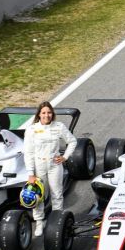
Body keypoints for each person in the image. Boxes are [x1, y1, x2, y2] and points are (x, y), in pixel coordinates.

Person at [23, 101, 78, 237]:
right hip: (39, 166)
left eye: (49, 112)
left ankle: (56, 222)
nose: (46, 115)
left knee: (57, 195)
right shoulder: (31, 129)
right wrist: (30, 174)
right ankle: (39, 222)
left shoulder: (59, 127)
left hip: (55, 165)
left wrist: (65, 157)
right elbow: (28, 153)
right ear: (39, 114)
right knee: (38, 196)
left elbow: (72, 141)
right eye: (43, 113)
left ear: (52, 114)